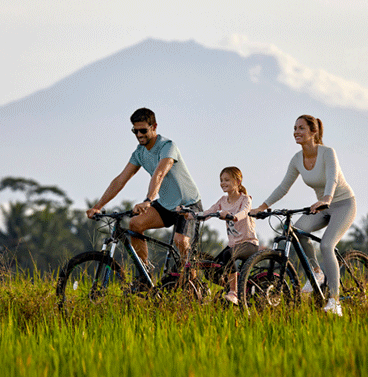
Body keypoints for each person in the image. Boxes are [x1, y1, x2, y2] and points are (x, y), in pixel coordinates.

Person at [251, 115, 356, 316]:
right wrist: (263, 206)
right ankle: (316, 273)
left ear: (313, 132)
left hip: (343, 204)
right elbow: (284, 186)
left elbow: (333, 178)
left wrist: (326, 198)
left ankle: (335, 301)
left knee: (326, 245)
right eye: (294, 128)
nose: (296, 132)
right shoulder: (297, 159)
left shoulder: (327, 153)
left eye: (301, 128)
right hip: (322, 206)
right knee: (297, 231)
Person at [86, 108, 202, 267]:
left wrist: (148, 200)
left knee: (180, 240)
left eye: (143, 130)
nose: (139, 135)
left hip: (188, 203)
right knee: (135, 224)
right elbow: (120, 180)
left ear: (154, 127)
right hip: (166, 205)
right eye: (135, 131)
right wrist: (98, 206)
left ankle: (191, 279)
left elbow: (159, 173)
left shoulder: (167, 146)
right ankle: (144, 272)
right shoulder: (139, 153)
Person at [197, 167, 259, 306]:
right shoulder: (223, 200)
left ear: (238, 181)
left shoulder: (245, 199)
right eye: (221, 180)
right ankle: (232, 286)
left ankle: (234, 292)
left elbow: (244, 212)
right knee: (211, 269)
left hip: (249, 244)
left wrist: (232, 217)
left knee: (228, 255)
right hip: (233, 245)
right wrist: (190, 215)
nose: (222, 183)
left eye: (226, 180)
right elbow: (208, 212)